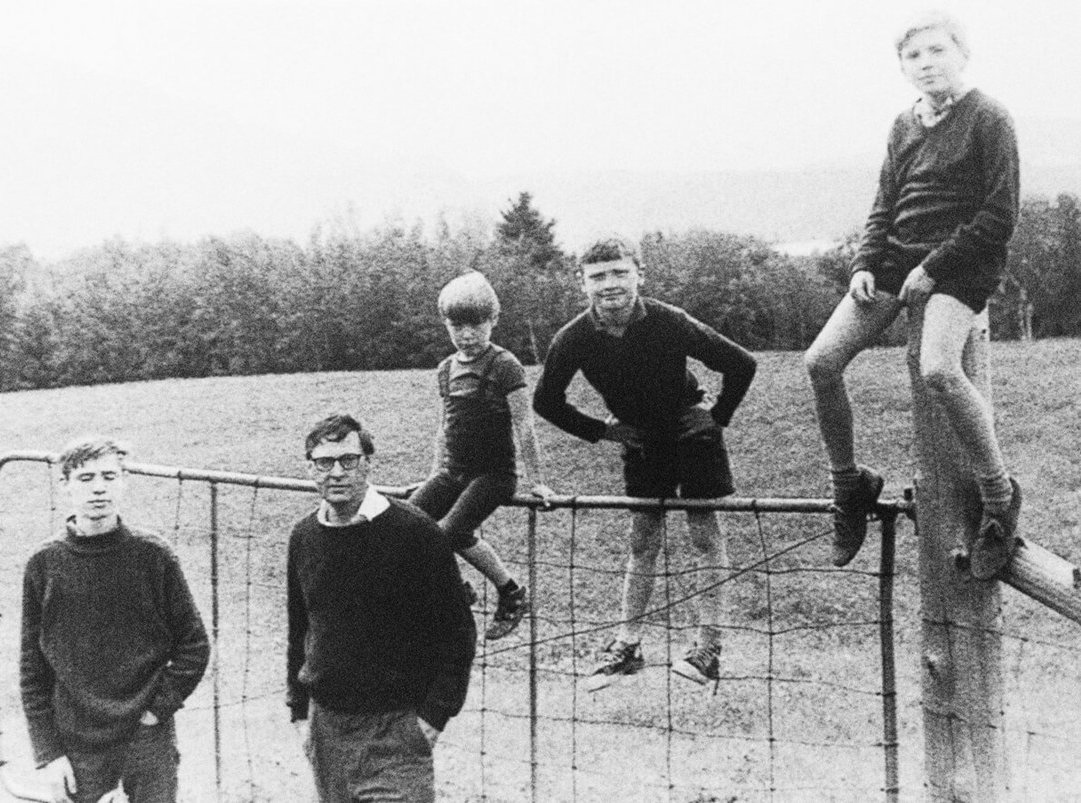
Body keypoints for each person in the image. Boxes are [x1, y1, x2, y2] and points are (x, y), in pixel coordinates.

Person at [803, 11, 1021, 579]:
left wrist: (934, 265)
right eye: (913, 56)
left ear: (962, 54)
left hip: (962, 265)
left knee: (939, 371)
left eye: (936, 52)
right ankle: (850, 486)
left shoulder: (990, 117)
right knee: (821, 361)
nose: (926, 64)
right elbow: (884, 204)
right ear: (903, 67)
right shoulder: (903, 124)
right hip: (899, 261)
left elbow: (999, 215)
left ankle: (999, 498)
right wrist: (863, 264)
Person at [533, 236, 757, 690]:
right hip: (639, 438)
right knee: (642, 540)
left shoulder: (670, 321)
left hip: (689, 430)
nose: (610, 284)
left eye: (620, 272)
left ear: (640, 274)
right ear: (582, 284)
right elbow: (545, 401)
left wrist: (716, 417)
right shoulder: (572, 338)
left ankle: (708, 647)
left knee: (703, 532)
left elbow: (741, 363)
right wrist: (605, 430)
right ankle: (628, 645)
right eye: (598, 276)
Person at [287, 414, 476, 802]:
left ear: (368, 463)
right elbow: (300, 628)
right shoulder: (304, 536)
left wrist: (433, 717)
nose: (336, 472)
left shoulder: (414, 532)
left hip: (397, 729)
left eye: (349, 460)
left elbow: (458, 631)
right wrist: (299, 713)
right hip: (328, 728)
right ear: (311, 468)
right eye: (324, 462)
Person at [20, 437, 210, 803]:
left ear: (124, 480)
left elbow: (194, 645)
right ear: (65, 486)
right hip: (77, 748)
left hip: (147, 742)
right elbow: (33, 670)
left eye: (109, 476)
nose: (98, 488)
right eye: (86, 478)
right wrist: (48, 754)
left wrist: (156, 710)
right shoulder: (44, 565)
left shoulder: (153, 556)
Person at [410, 271, 556, 641]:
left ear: (493, 320)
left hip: (493, 475)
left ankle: (511, 591)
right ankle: (457, 588)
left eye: (476, 324)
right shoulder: (446, 369)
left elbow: (525, 426)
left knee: (450, 533)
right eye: (457, 326)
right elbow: (444, 427)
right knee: (406, 525)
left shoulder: (504, 365)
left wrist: (537, 481)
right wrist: (434, 474)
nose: (467, 335)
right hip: (453, 472)